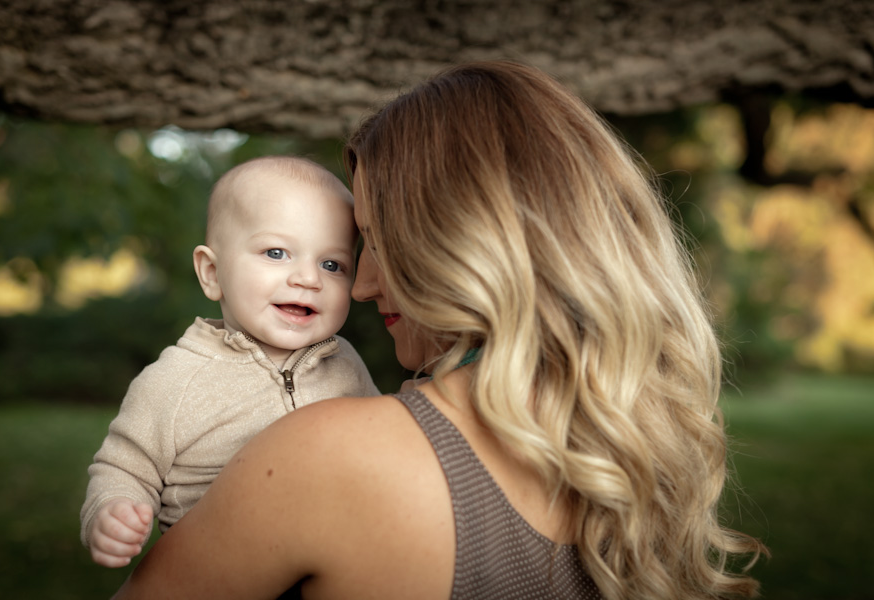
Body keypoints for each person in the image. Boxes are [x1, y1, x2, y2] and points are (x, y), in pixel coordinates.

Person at [113, 61, 765, 599]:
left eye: (376, 241)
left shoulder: (331, 456)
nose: (362, 286)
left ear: (465, 242)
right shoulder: (635, 461)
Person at [81, 156, 380, 568]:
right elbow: (124, 467)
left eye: (332, 264)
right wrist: (113, 509)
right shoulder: (177, 379)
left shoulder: (345, 363)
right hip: (216, 575)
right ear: (212, 273)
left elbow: (383, 440)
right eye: (276, 252)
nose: (308, 279)